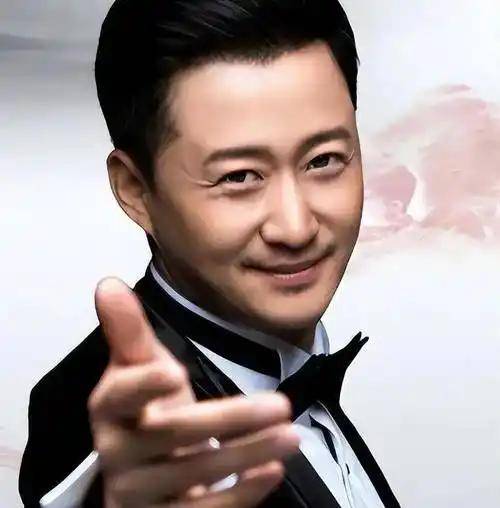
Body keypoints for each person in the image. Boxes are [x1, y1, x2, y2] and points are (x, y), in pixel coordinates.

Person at [19, 0, 402, 506]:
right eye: (239, 176)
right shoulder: (104, 415)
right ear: (135, 190)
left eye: (323, 160)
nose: (296, 227)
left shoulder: (298, 362)